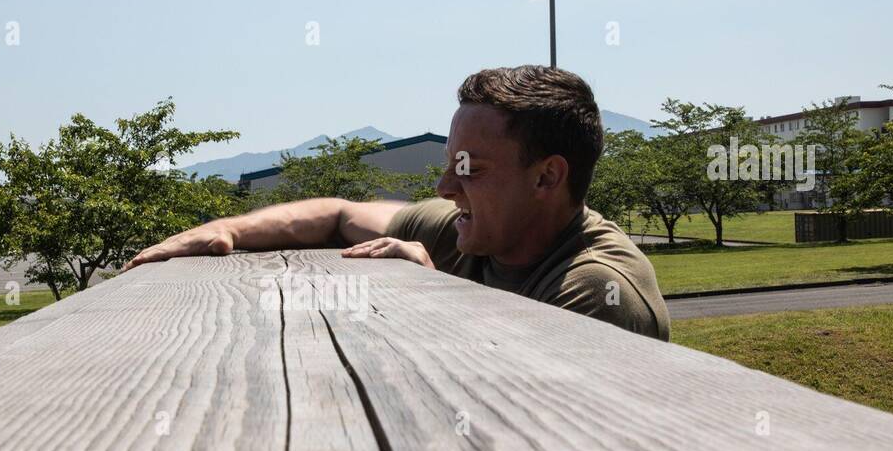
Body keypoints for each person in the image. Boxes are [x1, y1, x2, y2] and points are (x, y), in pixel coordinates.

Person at [125, 65, 670, 340]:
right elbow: (339, 213)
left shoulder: (595, 294)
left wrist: (430, 297)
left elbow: (500, 412)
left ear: (547, 177)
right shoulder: (473, 231)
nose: (444, 189)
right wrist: (229, 232)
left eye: (469, 171)